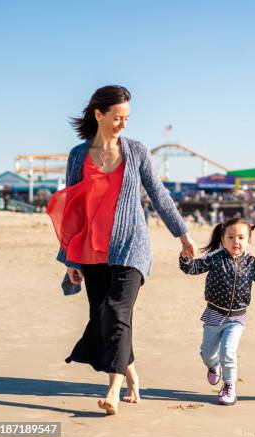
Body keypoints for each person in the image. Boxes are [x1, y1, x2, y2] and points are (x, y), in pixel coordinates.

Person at [47, 85, 197, 415]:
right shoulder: (78, 156)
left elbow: (159, 195)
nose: (123, 124)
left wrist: (182, 235)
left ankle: (112, 390)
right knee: (103, 317)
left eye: (127, 118)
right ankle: (131, 375)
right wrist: (69, 258)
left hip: (131, 248)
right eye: (117, 117)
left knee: (116, 311)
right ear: (99, 115)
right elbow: (71, 207)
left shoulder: (137, 151)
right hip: (90, 251)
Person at [179, 217, 255, 405]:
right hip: (214, 314)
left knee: (228, 352)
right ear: (223, 239)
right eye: (230, 237)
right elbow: (193, 268)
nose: (235, 242)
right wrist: (185, 258)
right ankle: (213, 367)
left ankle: (229, 385)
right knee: (207, 354)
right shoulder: (215, 258)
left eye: (241, 237)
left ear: (249, 241)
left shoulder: (251, 263)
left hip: (237, 318)